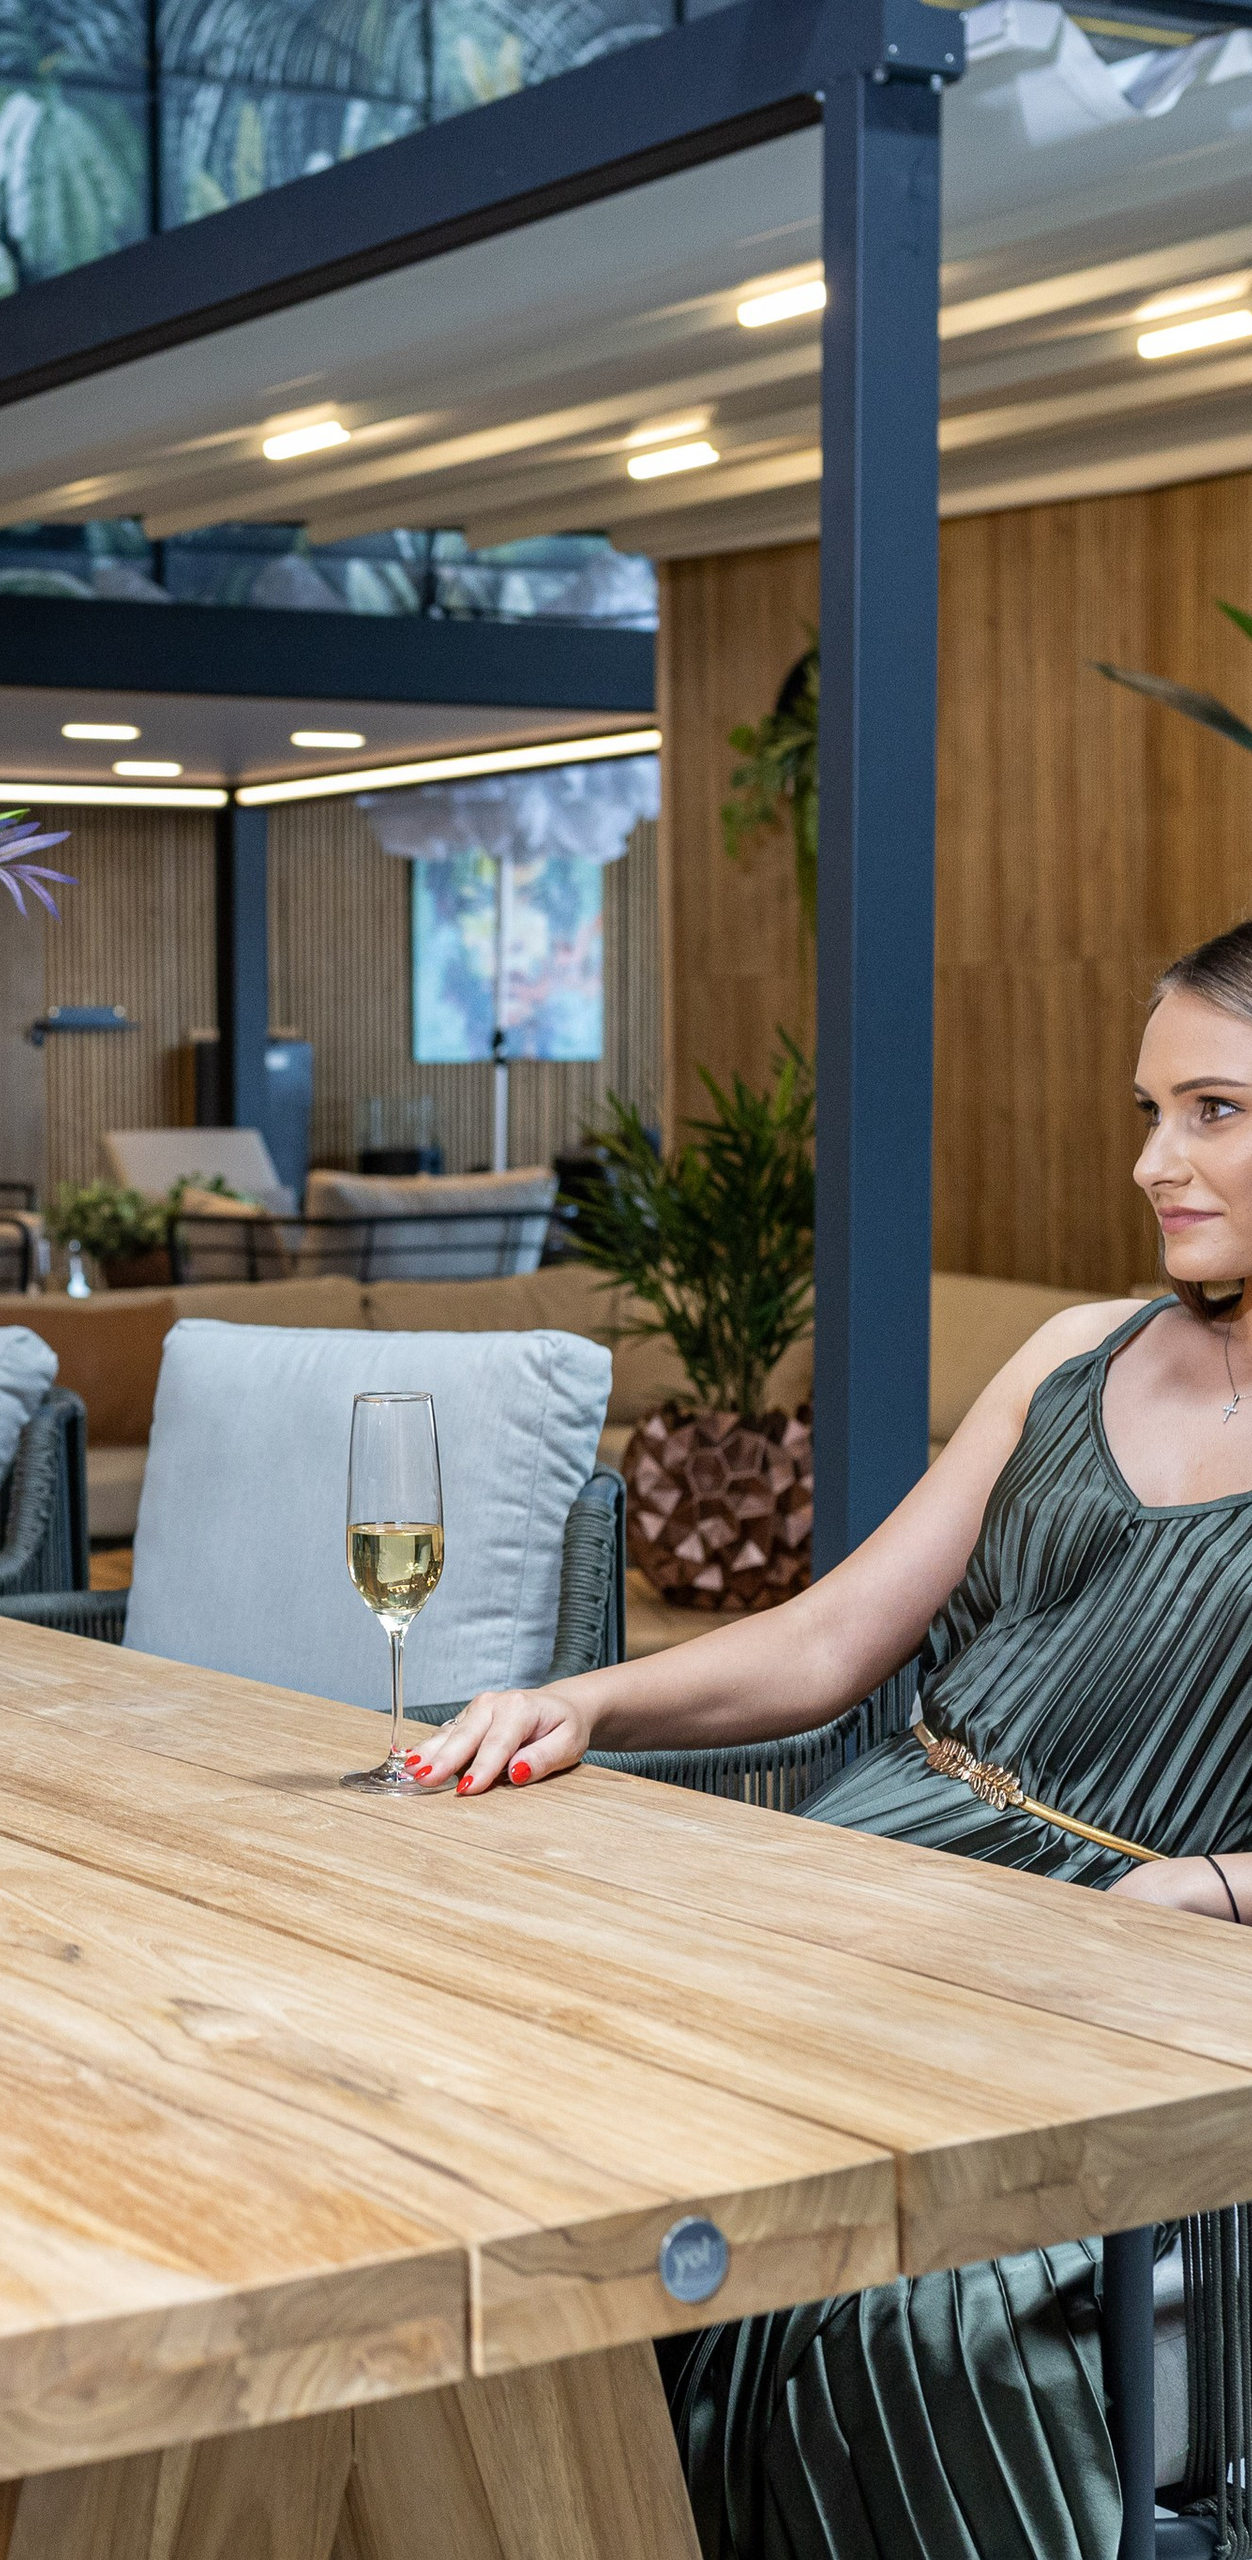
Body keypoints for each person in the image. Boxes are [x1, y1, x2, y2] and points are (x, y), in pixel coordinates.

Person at [406, 920, 1252, 2560]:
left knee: (888, 2302)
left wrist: (1206, 1892)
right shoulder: (1074, 1354)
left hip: (1116, 1969)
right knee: (538, 2117)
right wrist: (588, 1700)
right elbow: (837, 1637)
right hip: (874, 1866)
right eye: (1150, 1111)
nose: (1157, 1160)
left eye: (1213, 1110)